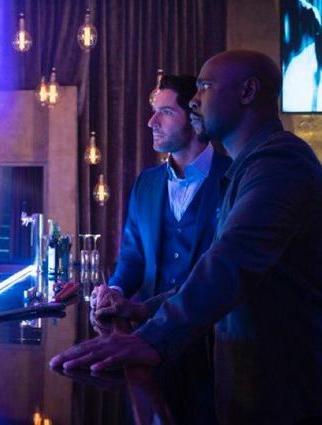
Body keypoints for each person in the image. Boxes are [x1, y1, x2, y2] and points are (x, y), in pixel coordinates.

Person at [51, 50, 322, 424]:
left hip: (300, 391)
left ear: (247, 92)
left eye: (205, 87)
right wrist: (143, 310)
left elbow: (230, 263)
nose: (194, 100)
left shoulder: (280, 162)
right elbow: (212, 265)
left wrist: (150, 339)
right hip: (264, 387)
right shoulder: (249, 167)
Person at [91, 74, 230, 424]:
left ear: (194, 117)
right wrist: (115, 290)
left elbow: (226, 272)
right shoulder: (147, 182)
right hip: (149, 342)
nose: (151, 121)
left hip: (216, 349)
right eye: (154, 111)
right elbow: (132, 256)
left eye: (165, 112)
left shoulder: (234, 177)